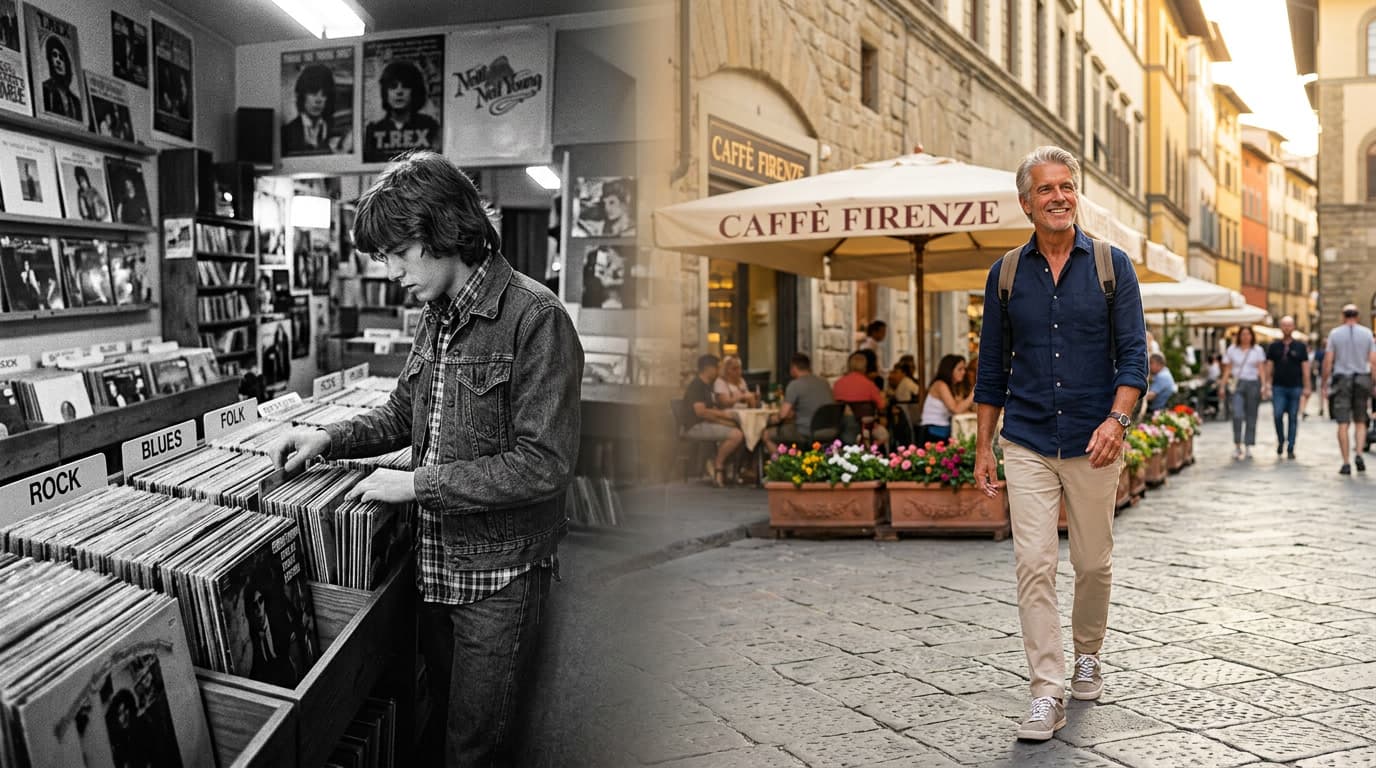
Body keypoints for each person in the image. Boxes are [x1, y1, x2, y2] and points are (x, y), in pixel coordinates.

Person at [268, 150, 582, 767]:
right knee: (442, 719)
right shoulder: (435, 318)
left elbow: (543, 464)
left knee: (476, 749)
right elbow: (403, 411)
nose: (390, 273)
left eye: (398, 252)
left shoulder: (535, 318)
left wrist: (417, 485)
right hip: (436, 566)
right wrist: (328, 438)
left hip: (499, 578)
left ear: (445, 230)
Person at [971, 146, 1147, 742]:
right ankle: (1046, 689)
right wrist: (982, 446)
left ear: (1077, 195)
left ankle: (1089, 652)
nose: (1058, 197)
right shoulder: (1006, 274)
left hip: (1095, 441)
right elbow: (991, 369)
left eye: (1066, 187)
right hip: (1025, 439)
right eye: (1045, 189)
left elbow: (1134, 359)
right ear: (1026, 202)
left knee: (1092, 562)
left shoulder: (1111, 266)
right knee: (1034, 564)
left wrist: (1116, 422)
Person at [1321, 303, 1376, 475]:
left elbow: (1328, 360)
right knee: (1361, 421)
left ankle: (1345, 462)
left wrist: (1324, 383)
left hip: (1342, 379)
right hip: (1362, 378)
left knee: (1343, 422)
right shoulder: (1367, 333)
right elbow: (1373, 361)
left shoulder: (1335, 334)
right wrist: (1373, 383)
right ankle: (1359, 453)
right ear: (1357, 316)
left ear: (1343, 316)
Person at [682, 354, 746, 488]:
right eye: (717, 367)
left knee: (740, 430)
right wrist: (723, 416)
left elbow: (709, 411)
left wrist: (723, 418)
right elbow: (701, 412)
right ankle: (719, 466)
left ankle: (729, 469)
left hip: (705, 423)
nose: (719, 370)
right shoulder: (697, 385)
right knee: (736, 435)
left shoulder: (707, 385)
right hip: (694, 426)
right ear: (708, 368)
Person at [362, 60, 440, 163]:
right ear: (386, 92)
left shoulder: (430, 125)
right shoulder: (373, 130)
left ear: (415, 90)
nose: (399, 91)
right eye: (393, 86)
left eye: (406, 86)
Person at [762, 353, 834, 453]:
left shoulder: (795, 385)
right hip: (831, 429)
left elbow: (783, 415)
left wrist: (770, 420)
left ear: (793, 368)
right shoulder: (824, 382)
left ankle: (782, 466)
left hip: (807, 432)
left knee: (766, 435)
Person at [1218, 325, 1268, 459]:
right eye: (1243, 334)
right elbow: (1227, 369)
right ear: (1239, 336)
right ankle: (1237, 444)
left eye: (1248, 334)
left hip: (1253, 383)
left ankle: (1248, 445)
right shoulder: (1232, 350)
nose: (1246, 337)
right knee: (1237, 414)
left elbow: (1261, 369)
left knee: (1252, 415)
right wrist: (1222, 386)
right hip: (1237, 384)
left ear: (1252, 336)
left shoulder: (1257, 350)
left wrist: (1264, 385)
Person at [282, 64, 352, 155]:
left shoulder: (336, 129)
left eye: (324, 94)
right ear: (302, 95)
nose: (319, 100)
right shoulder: (286, 132)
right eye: (313, 93)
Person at [1266, 316, 1310, 459]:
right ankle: (1280, 440)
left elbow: (1305, 367)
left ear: (1293, 327)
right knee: (1277, 415)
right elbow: (1269, 366)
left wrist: (1307, 386)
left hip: (1295, 386)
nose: (1287, 328)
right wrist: (1266, 383)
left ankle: (1291, 446)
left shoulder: (1300, 347)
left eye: (1289, 325)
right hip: (1278, 386)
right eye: (1284, 325)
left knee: (1293, 417)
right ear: (1280, 327)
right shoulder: (1274, 347)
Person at [832, 351, 889, 445]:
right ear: (865, 367)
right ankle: (871, 451)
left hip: (842, 427)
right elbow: (881, 405)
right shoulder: (869, 385)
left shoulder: (838, 384)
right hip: (866, 428)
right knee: (884, 434)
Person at [920, 354, 975, 442]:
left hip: (944, 429)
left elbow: (961, 408)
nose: (964, 372)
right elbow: (956, 409)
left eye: (964, 369)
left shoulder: (953, 387)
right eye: (960, 369)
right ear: (950, 370)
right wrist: (974, 394)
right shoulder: (940, 385)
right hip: (933, 431)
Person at [40, 36, 82, 121]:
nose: (58, 61)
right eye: (54, 55)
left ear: (66, 64)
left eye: (61, 58)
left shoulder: (75, 101)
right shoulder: (44, 90)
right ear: (50, 60)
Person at [1312, 337, 1327, 417]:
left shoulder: (1331, 351)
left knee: (1327, 393)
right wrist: (1315, 369)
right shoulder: (1319, 352)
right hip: (1321, 375)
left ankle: (1326, 408)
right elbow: (1316, 362)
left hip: (1330, 376)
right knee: (1321, 393)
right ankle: (1321, 408)